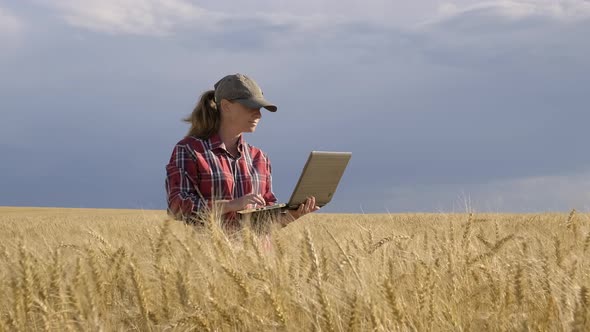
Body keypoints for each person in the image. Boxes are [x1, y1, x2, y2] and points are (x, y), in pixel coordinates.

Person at [165, 73, 319, 231]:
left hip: (257, 254)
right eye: (250, 106)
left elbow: (266, 223)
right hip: (212, 253)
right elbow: (177, 206)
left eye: (259, 109)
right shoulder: (189, 150)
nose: (258, 114)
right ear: (226, 106)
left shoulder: (260, 158)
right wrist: (230, 205)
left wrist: (292, 215)